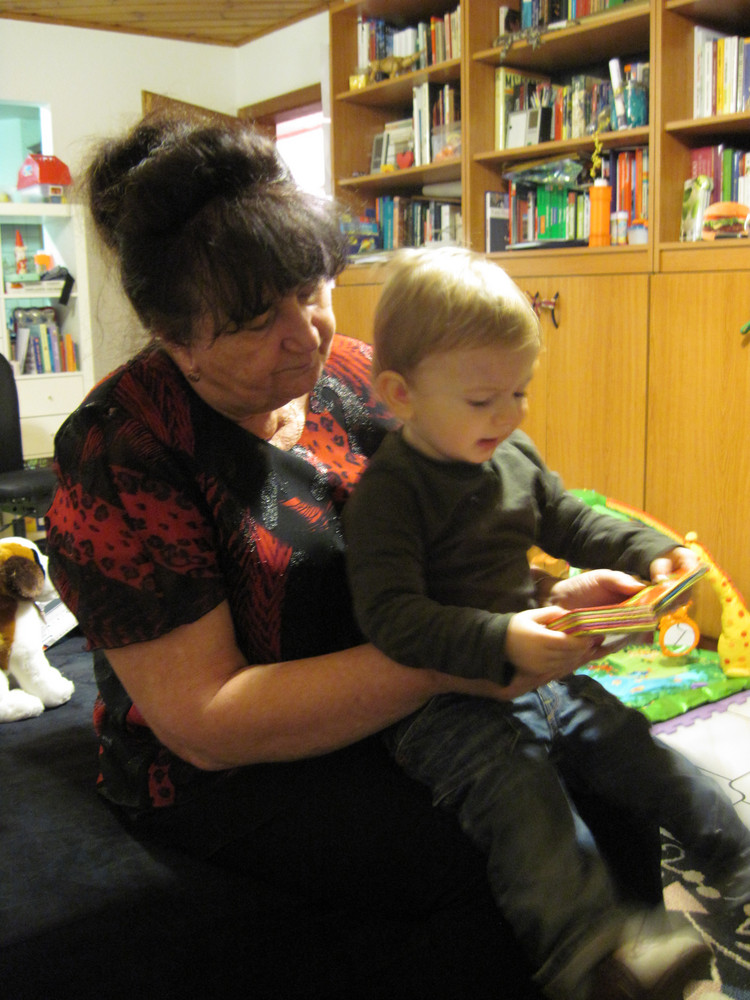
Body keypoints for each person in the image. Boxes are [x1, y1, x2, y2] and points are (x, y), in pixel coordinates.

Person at [45, 114, 664, 1000]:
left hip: (403, 681)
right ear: (172, 334)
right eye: (255, 320)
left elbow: (451, 542)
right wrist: (463, 656)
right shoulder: (123, 452)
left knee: (618, 782)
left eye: (311, 289)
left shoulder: (358, 377)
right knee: (465, 852)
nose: (306, 335)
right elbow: (207, 724)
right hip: (232, 762)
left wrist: (547, 596)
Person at [343, 246, 750, 1000]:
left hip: (544, 673)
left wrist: (652, 551)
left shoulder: (512, 451)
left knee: (637, 748)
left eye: (520, 392)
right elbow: (391, 618)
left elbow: (569, 519)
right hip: (446, 705)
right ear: (401, 394)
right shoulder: (389, 495)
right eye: (482, 400)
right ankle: (592, 952)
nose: (508, 416)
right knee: (523, 803)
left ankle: (737, 855)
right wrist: (502, 640)